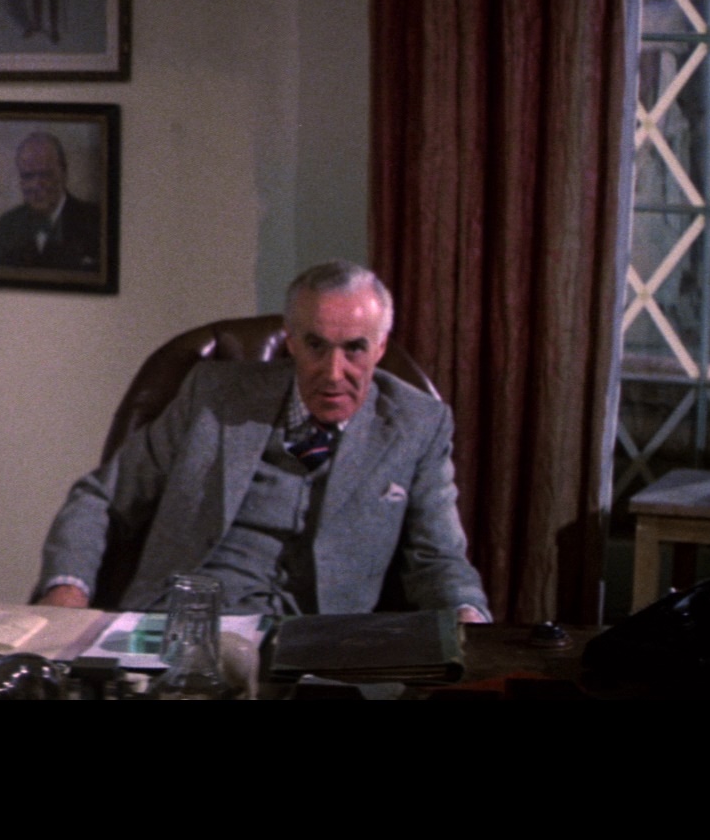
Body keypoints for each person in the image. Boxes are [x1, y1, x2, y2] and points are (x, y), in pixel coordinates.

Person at [36, 261, 490, 622]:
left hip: (320, 652)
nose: (334, 373)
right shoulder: (214, 396)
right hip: (181, 632)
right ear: (290, 341)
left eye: (354, 348)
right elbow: (101, 497)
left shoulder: (418, 424)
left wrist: (469, 616)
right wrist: (67, 590)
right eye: (315, 345)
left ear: (380, 347)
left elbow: (438, 557)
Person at [0, 131, 101, 271]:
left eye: (45, 174)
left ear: (64, 173)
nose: (36, 185)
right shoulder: (7, 227)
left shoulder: (95, 221)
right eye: (28, 176)